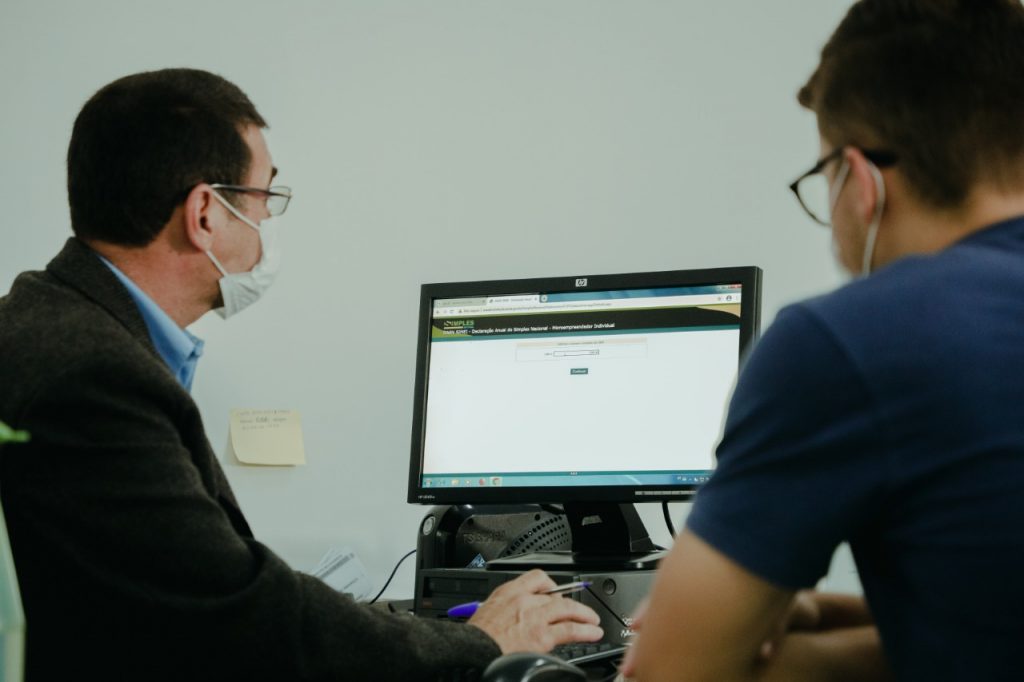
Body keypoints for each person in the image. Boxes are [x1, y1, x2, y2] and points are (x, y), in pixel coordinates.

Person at [0, 68, 601, 681]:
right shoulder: (96, 377)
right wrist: (479, 642)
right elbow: (240, 612)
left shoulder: (46, 319)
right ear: (205, 213)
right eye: (264, 196)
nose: (269, 219)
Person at [624, 1, 1024, 680]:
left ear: (859, 181)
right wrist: (821, 623)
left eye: (821, 179)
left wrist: (790, 662)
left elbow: (666, 671)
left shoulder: (854, 339)